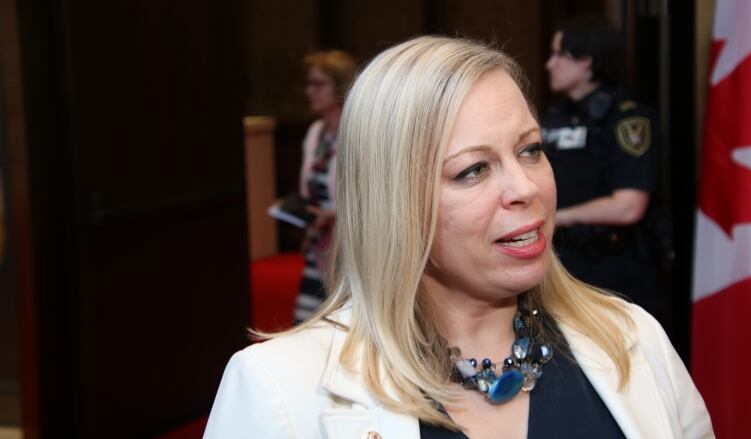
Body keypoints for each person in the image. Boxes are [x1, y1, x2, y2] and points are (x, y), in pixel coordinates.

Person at [205, 36, 712, 438]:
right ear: (393, 202)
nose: (525, 187)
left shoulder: (633, 337)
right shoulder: (278, 386)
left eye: (531, 150)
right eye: (472, 170)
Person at [542, 15, 664, 321]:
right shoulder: (554, 116)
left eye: (559, 54)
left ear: (586, 61)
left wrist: (559, 218)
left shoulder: (627, 118)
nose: (549, 64)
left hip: (611, 268)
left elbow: (628, 207)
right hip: (559, 265)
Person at [295, 50, 357, 322]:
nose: (311, 91)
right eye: (309, 84)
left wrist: (332, 215)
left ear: (339, 86)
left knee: (343, 326)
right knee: (308, 325)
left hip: (349, 250)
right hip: (318, 248)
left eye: (319, 84)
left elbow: (366, 195)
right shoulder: (315, 133)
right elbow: (310, 188)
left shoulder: (355, 131)